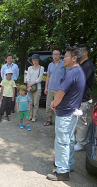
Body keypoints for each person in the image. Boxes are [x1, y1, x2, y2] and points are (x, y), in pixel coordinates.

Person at [46, 46, 85, 181]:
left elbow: (60, 93)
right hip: (72, 112)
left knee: (62, 142)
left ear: (74, 58)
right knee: (69, 140)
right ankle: (69, 164)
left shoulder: (71, 73)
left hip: (66, 113)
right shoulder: (79, 71)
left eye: (66, 56)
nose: (64, 58)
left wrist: (53, 104)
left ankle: (62, 171)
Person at [74, 44, 95, 151]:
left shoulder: (88, 66)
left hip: (84, 99)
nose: (77, 53)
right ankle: (77, 140)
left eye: (80, 51)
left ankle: (81, 143)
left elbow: (80, 81)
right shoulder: (80, 64)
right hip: (77, 98)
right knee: (76, 120)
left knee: (81, 122)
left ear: (85, 53)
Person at [44, 48, 66, 126]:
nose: (55, 56)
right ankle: (49, 120)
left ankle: (59, 121)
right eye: (54, 54)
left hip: (59, 89)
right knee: (49, 105)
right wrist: (46, 87)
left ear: (60, 55)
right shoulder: (50, 64)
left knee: (58, 105)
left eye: (57, 54)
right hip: (50, 88)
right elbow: (48, 76)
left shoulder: (64, 64)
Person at [26, 54, 44, 122]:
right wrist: (29, 85)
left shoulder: (41, 68)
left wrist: (31, 84)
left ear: (38, 60)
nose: (35, 62)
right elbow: (28, 77)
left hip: (37, 88)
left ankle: (34, 116)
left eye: (36, 60)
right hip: (30, 88)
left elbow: (39, 79)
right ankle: (30, 115)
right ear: (32, 61)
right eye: (34, 60)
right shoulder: (29, 68)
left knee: (36, 103)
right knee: (30, 102)